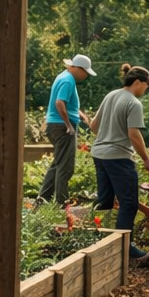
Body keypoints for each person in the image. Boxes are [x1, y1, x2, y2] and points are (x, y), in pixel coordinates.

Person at [88, 64, 149, 257]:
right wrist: (146, 159)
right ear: (137, 82)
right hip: (119, 158)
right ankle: (125, 247)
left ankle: (99, 243)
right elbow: (134, 134)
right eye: (146, 84)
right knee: (129, 203)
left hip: (99, 155)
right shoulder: (134, 103)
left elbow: (94, 126)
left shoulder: (111, 95)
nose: (147, 88)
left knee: (104, 201)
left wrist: (109, 133)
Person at [38, 53, 94, 205]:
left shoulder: (62, 76)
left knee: (58, 164)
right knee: (66, 167)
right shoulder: (68, 81)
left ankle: (42, 199)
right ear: (78, 68)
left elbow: (66, 104)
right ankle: (62, 203)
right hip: (62, 127)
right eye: (85, 72)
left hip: (54, 125)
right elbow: (59, 103)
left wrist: (80, 114)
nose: (85, 76)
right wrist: (69, 125)